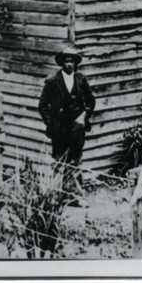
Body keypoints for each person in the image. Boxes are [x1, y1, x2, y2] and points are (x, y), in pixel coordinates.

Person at [38, 45, 95, 202]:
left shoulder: (81, 79)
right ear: (62, 63)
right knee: (59, 161)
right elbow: (42, 106)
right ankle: (57, 197)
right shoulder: (52, 81)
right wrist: (51, 123)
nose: (69, 64)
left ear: (75, 63)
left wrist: (83, 116)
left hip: (76, 127)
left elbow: (91, 101)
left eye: (72, 61)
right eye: (67, 61)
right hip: (59, 128)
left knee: (75, 161)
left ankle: (76, 196)